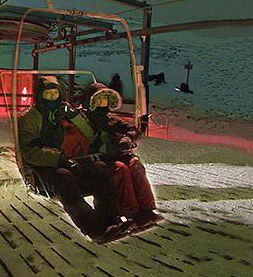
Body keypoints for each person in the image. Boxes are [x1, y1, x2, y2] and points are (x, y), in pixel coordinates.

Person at [18, 76, 123, 241]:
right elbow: (29, 150)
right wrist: (59, 159)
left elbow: (90, 135)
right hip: (44, 170)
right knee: (64, 177)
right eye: (48, 94)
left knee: (100, 169)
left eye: (56, 94)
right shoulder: (30, 118)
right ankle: (94, 228)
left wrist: (74, 116)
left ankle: (110, 220)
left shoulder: (62, 114)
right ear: (40, 96)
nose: (53, 98)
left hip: (70, 162)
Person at [85, 86, 162, 230]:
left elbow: (133, 130)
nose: (103, 103)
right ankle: (131, 212)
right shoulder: (85, 120)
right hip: (99, 158)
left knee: (134, 164)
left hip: (115, 154)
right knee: (121, 169)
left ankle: (146, 209)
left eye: (106, 100)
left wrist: (127, 138)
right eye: (100, 100)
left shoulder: (111, 119)